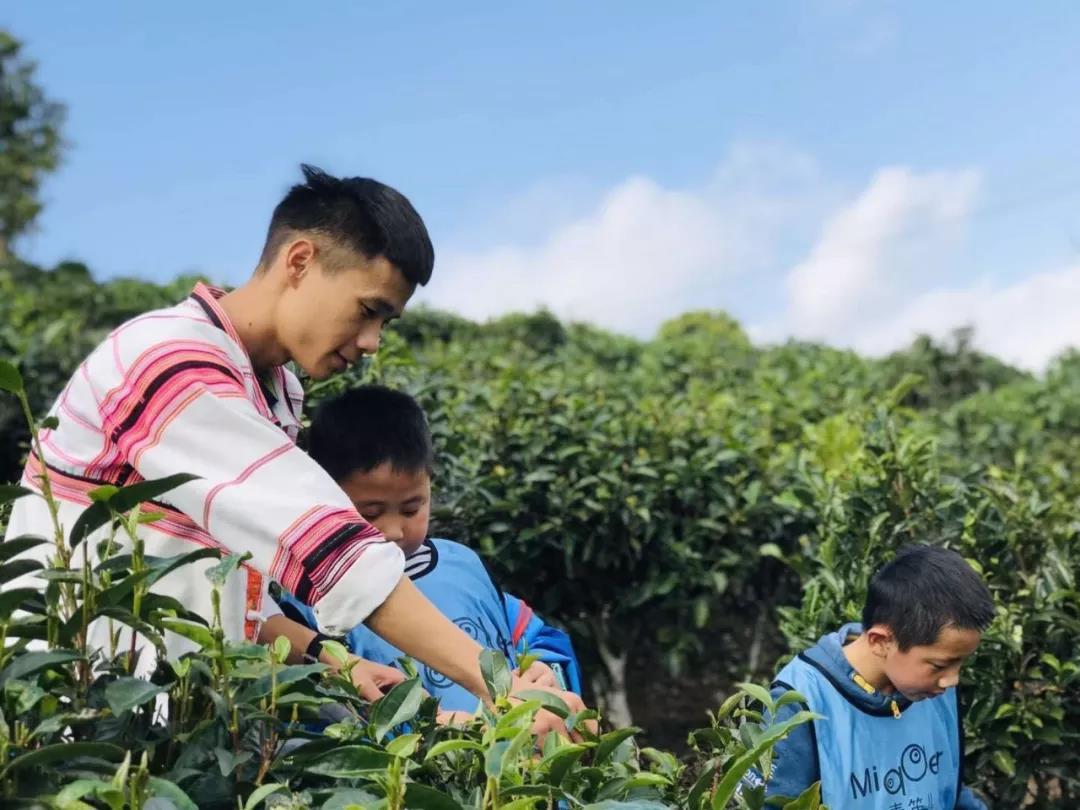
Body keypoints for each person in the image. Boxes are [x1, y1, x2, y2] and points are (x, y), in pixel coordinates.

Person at [3, 165, 534, 707]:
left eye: (385, 324)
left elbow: (222, 578)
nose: (372, 341)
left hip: (173, 726)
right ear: (300, 261)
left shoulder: (274, 391)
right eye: (368, 310)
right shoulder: (168, 360)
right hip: (73, 716)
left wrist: (326, 655)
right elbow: (326, 548)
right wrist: (502, 684)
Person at [273, 385, 583, 716]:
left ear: (430, 485)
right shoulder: (307, 599)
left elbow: (534, 638)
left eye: (411, 509)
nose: (393, 531)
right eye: (370, 514)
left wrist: (544, 670)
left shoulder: (462, 565)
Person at [761, 545, 991, 809]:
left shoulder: (934, 690)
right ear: (881, 642)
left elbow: (948, 787)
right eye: (940, 665)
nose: (952, 680)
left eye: (960, 663)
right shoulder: (799, 703)